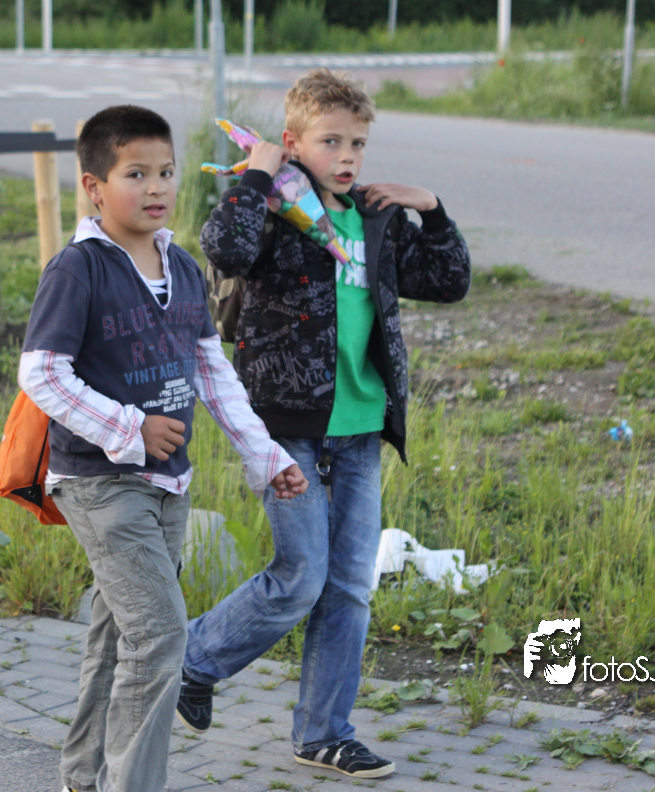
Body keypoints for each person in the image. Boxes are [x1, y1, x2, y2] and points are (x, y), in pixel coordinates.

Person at [179, 68, 472, 779]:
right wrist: (257, 176)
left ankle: (323, 734)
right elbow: (223, 248)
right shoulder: (277, 214)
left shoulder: (375, 219)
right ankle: (191, 658)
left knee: (349, 588)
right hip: (287, 427)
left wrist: (431, 209)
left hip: (361, 428)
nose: (347, 156)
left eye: (357, 143)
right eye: (330, 141)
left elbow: (449, 281)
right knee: (301, 577)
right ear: (292, 143)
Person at [18, 104, 307, 792]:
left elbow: (212, 370)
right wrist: (129, 428)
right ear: (94, 187)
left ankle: (83, 776)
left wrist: (265, 455)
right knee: (160, 637)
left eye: (167, 172)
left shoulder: (179, 265)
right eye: (136, 174)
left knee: (119, 635)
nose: (156, 187)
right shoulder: (79, 269)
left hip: (169, 484)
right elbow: (42, 374)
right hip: (99, 483)